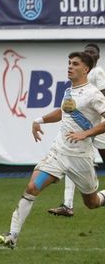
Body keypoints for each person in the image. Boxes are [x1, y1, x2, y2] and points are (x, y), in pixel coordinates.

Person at [0, 51, 105, 249]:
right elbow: (63, 112)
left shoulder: (93, 94)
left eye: (75, 64)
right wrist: (39, 120)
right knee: (32, 187)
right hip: (58, 154)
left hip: (81, 159)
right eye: (69, 63)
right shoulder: (69, 91)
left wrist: (86, 133)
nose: (70, 66)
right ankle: (12, 235)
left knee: (92, 202)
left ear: (85, 69)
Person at [48, 44, 105, 217]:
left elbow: (102, 94)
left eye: (92, 52)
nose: (89, 54)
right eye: (87, 51)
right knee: (71, 158)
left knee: (75, 158)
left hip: (97, 124)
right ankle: (67, 204)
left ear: (98, 56)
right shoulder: (80, 78)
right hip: (86, 124)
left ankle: (68, 205)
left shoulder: (97, 72)